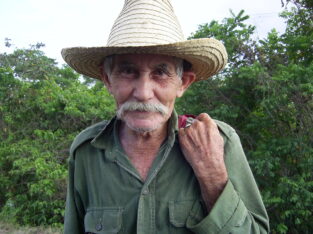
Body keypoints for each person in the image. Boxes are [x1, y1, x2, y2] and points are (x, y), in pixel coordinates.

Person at [62, 0, 270, 233]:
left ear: (183, 83)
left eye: (160, 73)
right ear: (108, 80)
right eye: (128, 71)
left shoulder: (220, 142)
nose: (143, 93)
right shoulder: (86, 152)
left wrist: (213, 177)